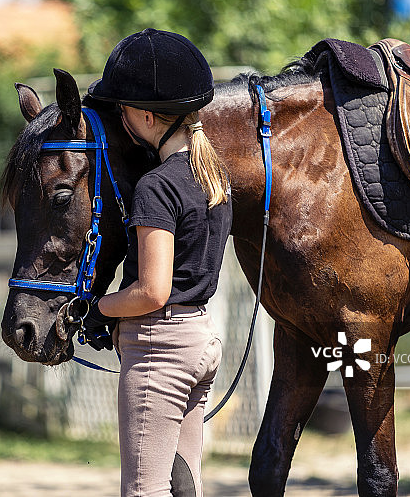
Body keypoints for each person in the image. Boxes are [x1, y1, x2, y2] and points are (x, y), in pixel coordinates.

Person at [82, 28, 232, 497]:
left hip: (160, 348)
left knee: (144, 490)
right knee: (185, 487)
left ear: (146, 116)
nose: (121, 118)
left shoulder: (156, 186)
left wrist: (98, 309)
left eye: (124, 109)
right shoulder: (213, 176)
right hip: (201, 339)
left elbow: (153, 290)